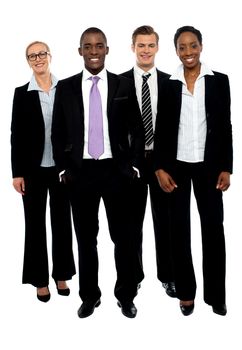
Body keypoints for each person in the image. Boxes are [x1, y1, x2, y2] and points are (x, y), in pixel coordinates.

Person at [51, 27, 145, 318]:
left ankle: (126, 295)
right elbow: (57, 132)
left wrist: (133, 165)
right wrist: (64, 168)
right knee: (86, 239)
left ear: (107, 49)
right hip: (80, 173)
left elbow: (137, 130)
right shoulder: (65, 87)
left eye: (99, 46)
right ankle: (90, 296)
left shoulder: (122, 86)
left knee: (124, 237)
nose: (93, 51)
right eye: (87, 46)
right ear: (80, 51)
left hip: (116, 171)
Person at [154, 25, 233, 316]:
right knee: (179, 232)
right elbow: (161, 129)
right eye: (182, 47)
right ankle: (186, 294)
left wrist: (226, 167)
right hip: (176, 168)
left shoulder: (219, 81)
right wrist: (160, 168)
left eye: (193, 46)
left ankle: (216, 296)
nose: (188, 52)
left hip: (209, 168)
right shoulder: (169, 84)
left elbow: (225, 127)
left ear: (201, 46)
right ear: (176, 51)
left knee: (213, 230)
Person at [10, 41, 76, 303]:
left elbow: (75, 128)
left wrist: (73, 165)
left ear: (50, 56)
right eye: (31, 56)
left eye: (41, 54)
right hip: (32, 170)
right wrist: (17, 173)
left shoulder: (67, 89)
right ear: (28, 61)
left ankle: (61, 275)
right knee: (34, 225)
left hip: (61, 170)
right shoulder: (22, 93)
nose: (37, 59)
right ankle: (39, 280)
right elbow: (16, 135)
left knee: (62, 223)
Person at [121, 25, 176, 298]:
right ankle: (133, 278)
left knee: (165, 222)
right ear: (133, 47)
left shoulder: (170, 81)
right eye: (140, 45)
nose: (145, 50)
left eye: (150, 45)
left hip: (162, 162)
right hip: (131, 164)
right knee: (131, 226)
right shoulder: (118, 82)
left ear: (157, 47)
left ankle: (168, 276)